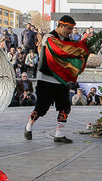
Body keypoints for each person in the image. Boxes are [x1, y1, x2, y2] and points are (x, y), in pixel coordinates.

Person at [24, 15, 79, 144]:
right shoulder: (48, 37)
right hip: (46, 78)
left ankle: (59, 134)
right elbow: (59, 51)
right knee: (42, 107)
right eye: (69, 28)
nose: (71, 31)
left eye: (72, 29)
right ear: (62, 26)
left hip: (61, 80)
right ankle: (29, 126)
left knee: (65, 106)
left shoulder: (67, 40)